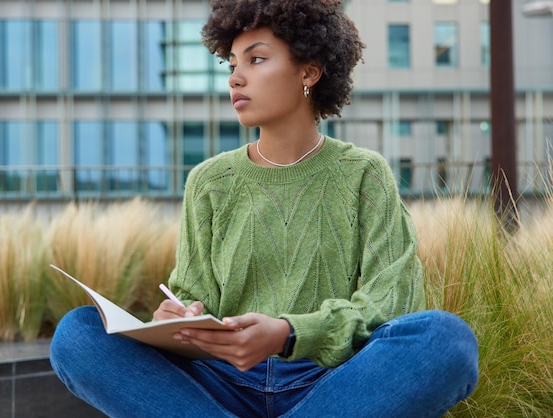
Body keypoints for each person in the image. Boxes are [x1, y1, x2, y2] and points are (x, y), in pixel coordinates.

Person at [50, 1, 479, 416]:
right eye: (232, 63)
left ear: (309, 71)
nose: (236, 78)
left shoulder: (364, 174)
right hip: (220, 383)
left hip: (328, 384)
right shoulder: (209, 181)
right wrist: (177, 316)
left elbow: (394, 303)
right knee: (77, 335)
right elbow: (193, 294)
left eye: (256, 60)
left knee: (447, 341)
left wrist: (289, 334)